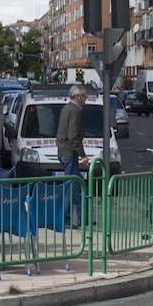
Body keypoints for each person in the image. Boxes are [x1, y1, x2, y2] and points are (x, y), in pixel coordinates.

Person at [56, 85, 90, 225]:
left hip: (63, 151)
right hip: (70, 153)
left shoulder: (66, 108)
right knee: (72, 187)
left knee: (76, 186)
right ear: (78, 97)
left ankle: (81, 219)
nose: (85, 100)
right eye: (84, 97)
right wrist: (83, 155)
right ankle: (64, 219)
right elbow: (73, 136)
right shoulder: (75, 111)